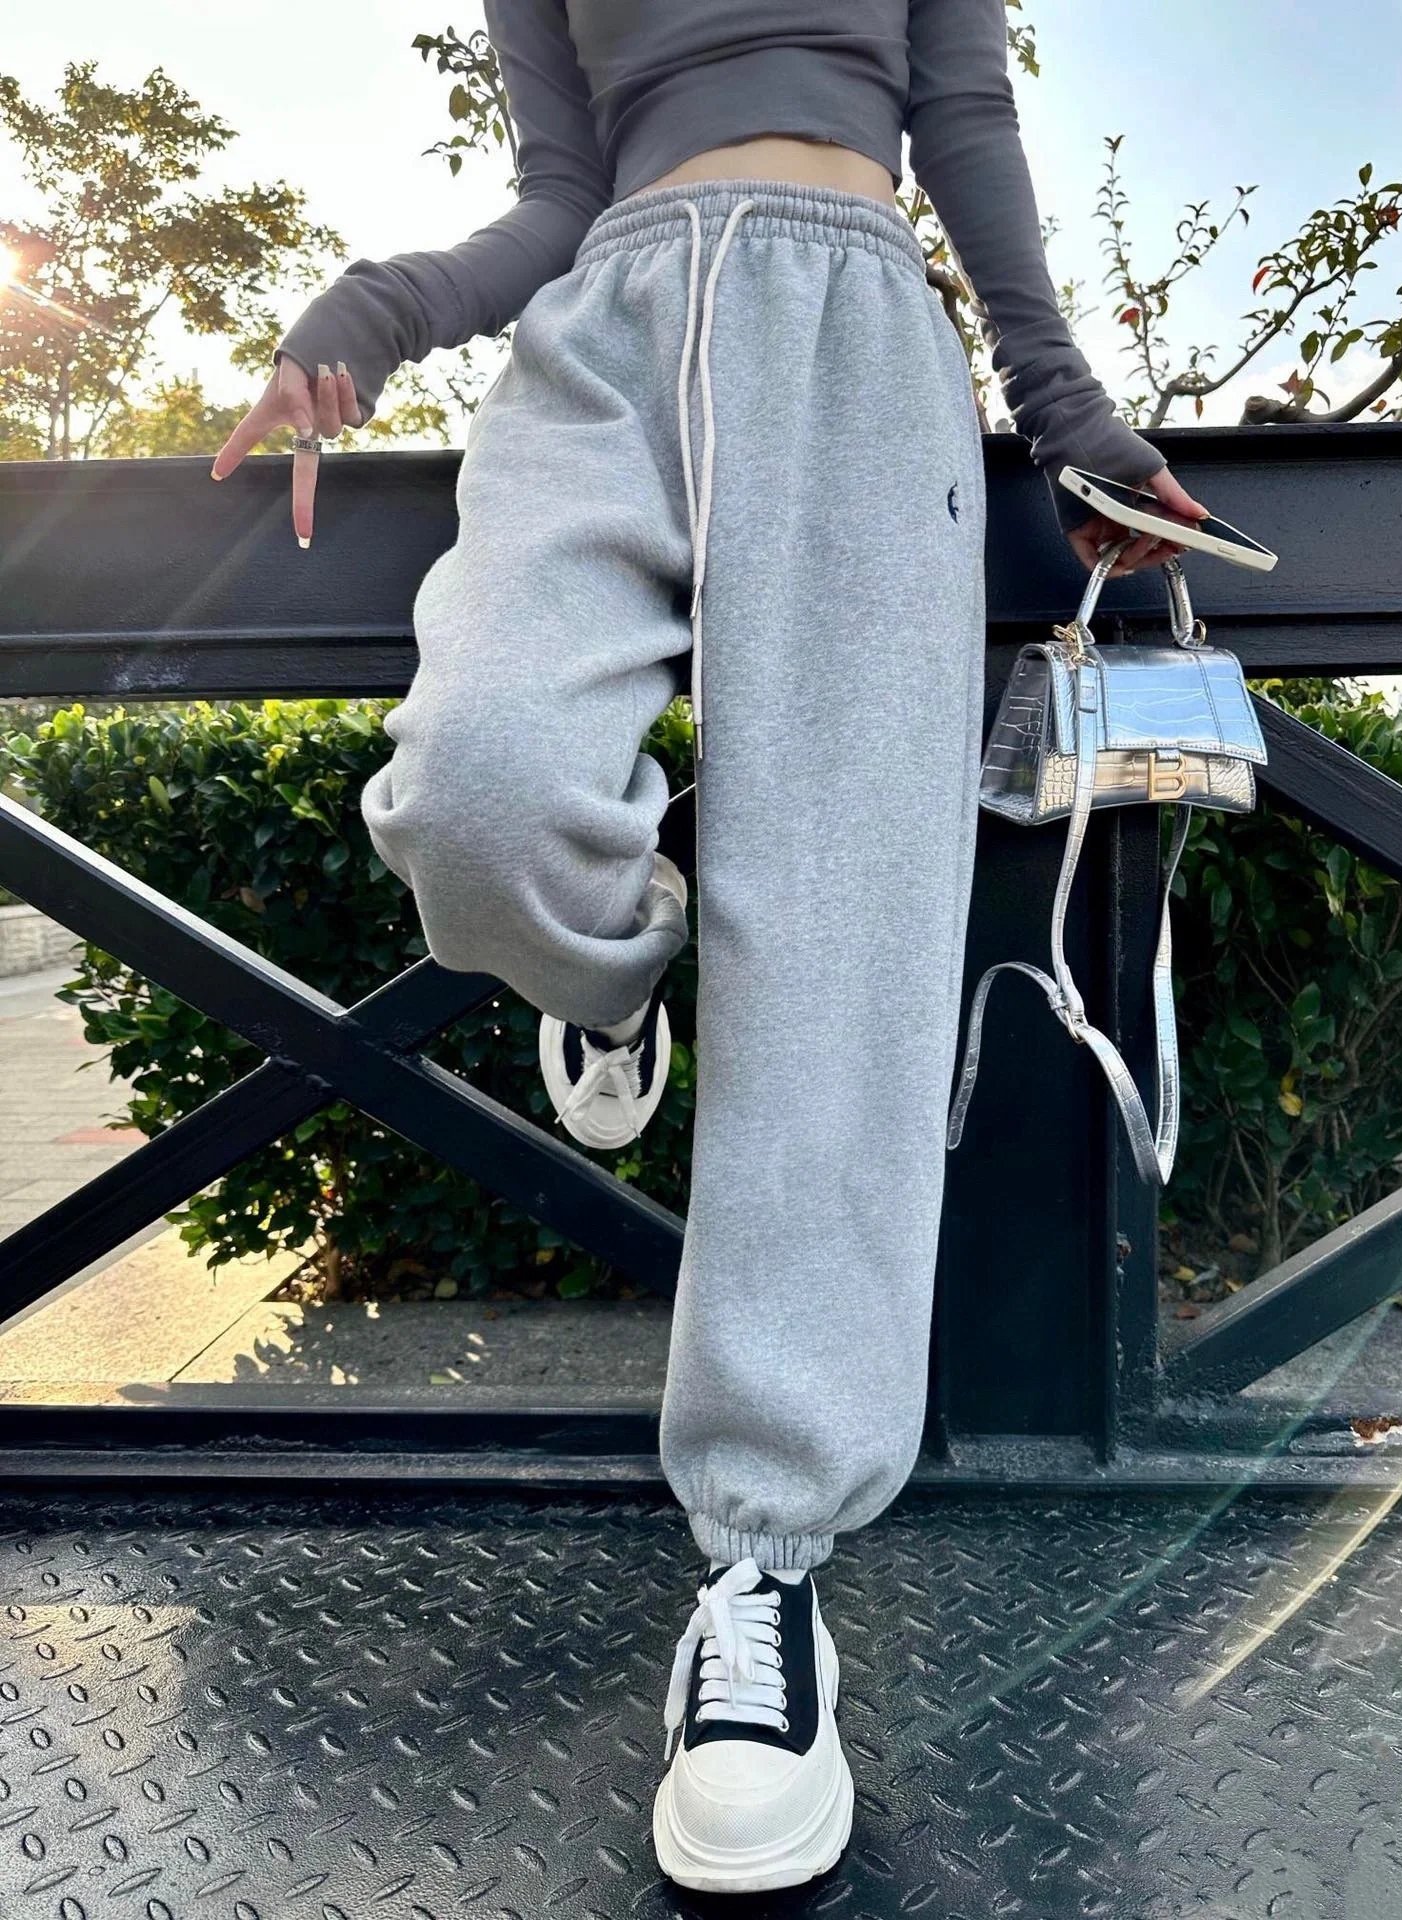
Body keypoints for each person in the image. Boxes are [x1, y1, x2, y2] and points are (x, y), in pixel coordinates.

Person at [211, 1, 1206, 1894]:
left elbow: (964, 127)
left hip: (860, 337)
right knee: (478, 791)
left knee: (837, 955)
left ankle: (763, 1579)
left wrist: (1071, 417)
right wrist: (372, 311)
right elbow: (552, 195)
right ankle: (614, 981)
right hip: (602, 329)